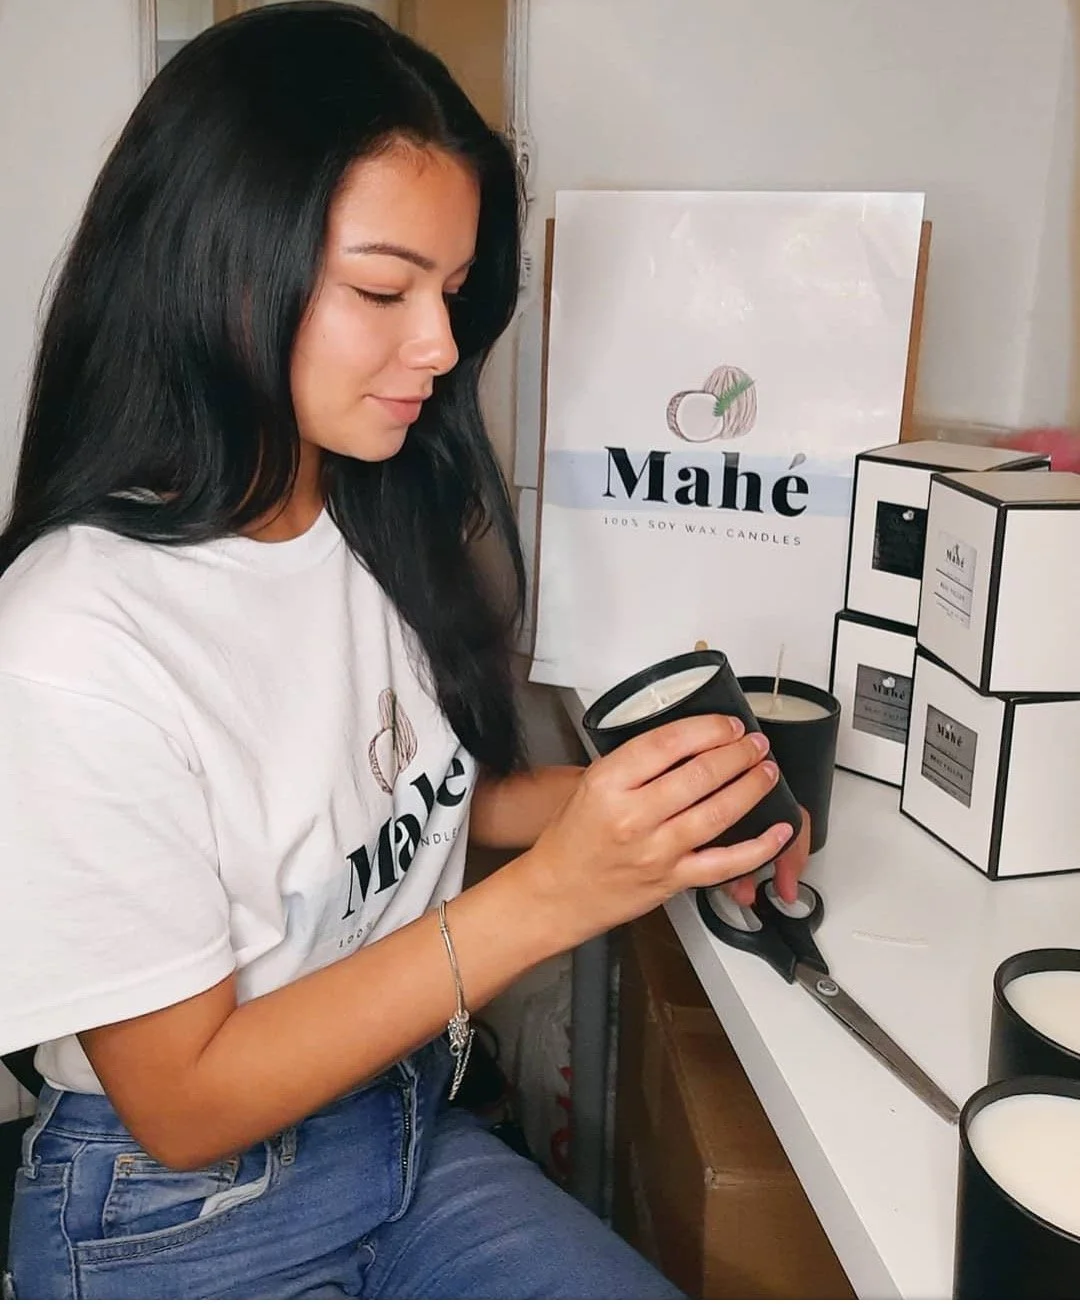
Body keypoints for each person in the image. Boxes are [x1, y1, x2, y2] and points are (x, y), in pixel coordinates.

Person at [0, 3, 807, 1298]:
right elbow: (185, 1103)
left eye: (450, 290)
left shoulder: (367, 510)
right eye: (383, 289)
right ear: (217, 263)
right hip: (180, 1216)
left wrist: (676, 813)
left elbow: (415, 808)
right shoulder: (73, 640)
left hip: (406, 1126)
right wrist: (558, 895)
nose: (438, 346)